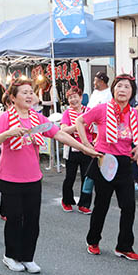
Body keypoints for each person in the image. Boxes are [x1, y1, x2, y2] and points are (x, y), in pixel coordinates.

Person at [0, 78, 100, 273]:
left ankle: (27, 257)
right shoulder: (5, 118)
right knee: (14, 219)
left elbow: (59, 134)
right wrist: (8, 134)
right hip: (10, 178)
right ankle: (11, 256)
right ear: (13, 97)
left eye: (31, 92)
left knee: (32, 219)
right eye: (24, 92)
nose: (30, 95)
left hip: (33, 178)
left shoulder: (37, 118)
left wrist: (84, 148)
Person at [77, 74, 138, 261]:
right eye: (119, 86)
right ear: (113, 89)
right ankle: (93, 241)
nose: (122, 90)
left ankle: (124, 246)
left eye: (127, 87)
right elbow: (80, 122)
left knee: (129, 206)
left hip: (124, 163)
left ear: (132, 92)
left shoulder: (133, 113)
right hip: (104, 160)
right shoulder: (102, 109)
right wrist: (86, 144)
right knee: (102, 205)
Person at [60, 86, 93, 214]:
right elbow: (63, 129)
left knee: (87, 177)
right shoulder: (67, 113)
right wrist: (78, 125)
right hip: (72, 148)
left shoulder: (89, 111)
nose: (73, 100)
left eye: (75, 97)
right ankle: (66, 201)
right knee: (70, 177)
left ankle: (84, 204)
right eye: (70, 97)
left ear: (81, 97)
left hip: (87, 148)